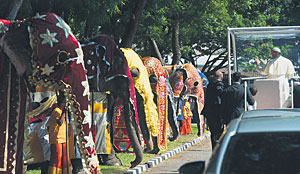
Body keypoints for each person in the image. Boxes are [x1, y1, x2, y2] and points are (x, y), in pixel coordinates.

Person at [48, 92, 75, 174]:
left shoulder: (64, 111)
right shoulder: (57, 110)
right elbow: (60, 122)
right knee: (57, 157)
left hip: (64, 137)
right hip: (57, 138)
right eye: (65, 102)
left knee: (65, 157)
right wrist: (64, 111)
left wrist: (67, 112)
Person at [202, 70, 224, 149]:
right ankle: (218, 148)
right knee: (219, 132)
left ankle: (214, 148)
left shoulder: (209, 86)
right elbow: (219, 100)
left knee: (213, 132)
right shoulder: (220, 86)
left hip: (209, 113)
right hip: (217, 112)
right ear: (221, 78)